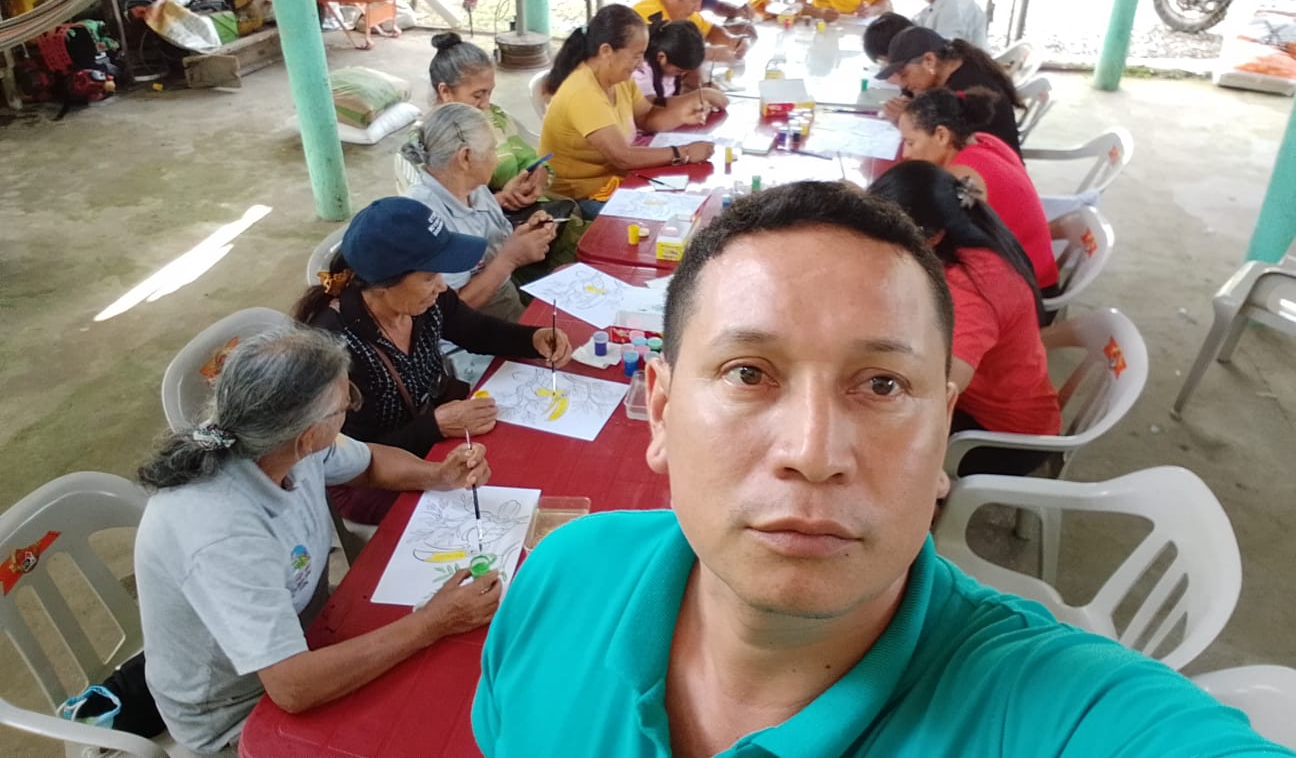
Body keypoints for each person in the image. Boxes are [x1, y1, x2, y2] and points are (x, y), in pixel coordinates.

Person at [472, 180, 1283, 758]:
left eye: (884, 385)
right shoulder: (559, 579)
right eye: (749, 373)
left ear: (943, 431)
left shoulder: (1058, 711)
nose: (813, 453)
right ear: (661, 410)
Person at [135, 325, 502, 755]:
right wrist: (433, 622)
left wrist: (437, 475)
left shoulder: (274, 439)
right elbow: (293, 687)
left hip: (314, 631)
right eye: (346, 405)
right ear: (308, 433)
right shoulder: (221, 531)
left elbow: (368, 463)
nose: (350, 410)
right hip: (241, 711)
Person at [293, 196, 573, 525]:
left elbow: (476, 330)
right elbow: (352, 455)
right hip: (370, 479)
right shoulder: (337, 349)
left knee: (534, 462)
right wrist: (435, 426)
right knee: (496, 509)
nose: (441, 285)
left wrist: (532, 339)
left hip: (435, 429)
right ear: (383, 285)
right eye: (429, 276)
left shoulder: (425, 301)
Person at [869, 162, 1059, 475]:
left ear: (932, 237)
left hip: (1005, 437)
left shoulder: (971, 290)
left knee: (871, 443)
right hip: (996, 403)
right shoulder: (969, 245)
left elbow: (936, 389)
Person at [540, 4, 716, 206]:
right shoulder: (583, 91)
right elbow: (622, 157)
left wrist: (681, 114)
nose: (640, 63)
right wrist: (683, 153)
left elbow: (647, 118)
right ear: (606, 51)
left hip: (614, 180)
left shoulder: (619, 79)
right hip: (580, 196)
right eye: (636, 55)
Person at [401, 103, 559, 321]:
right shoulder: (425, 219)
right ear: (465, 157)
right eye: (492, 150)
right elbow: (448, 312)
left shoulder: (472, 186)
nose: (496, 159)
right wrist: (510, 258)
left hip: (506, 301)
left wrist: (527, 235)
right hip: (472, 334)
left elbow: (487, 236)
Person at [896, 87, 1058, 295]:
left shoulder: (962, 177)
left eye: (910, 142)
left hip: (1026, 291)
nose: (905, 153)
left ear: (942, 135)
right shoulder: (984, 140)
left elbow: (935, 241)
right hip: (1037, 271)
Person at [421, 31, 548, 211]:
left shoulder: (494, 117)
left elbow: (528, 159)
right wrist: (499, 200)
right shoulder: (425, 142)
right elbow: (440, 211)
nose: (486, 104)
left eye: (489, 92)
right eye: (478, 95)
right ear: (445, 92)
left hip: (522, 207)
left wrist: (539, 175)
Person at [875, 26, 1024, 158]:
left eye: (904, 74)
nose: (903, 84)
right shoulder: (959, 66)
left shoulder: (966, 92)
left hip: (986, 171)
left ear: (929, 60)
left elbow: (940, 150)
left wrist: (906, 121)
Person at [630, 19, 730, 111]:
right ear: (661, 57)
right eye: (680, 71)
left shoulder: (669, 66)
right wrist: (700, 95)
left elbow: (672, 95)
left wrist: (702, 89)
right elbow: (651, 105)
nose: (682, 75)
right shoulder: (640, 71)